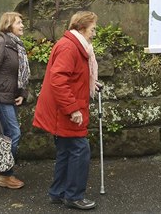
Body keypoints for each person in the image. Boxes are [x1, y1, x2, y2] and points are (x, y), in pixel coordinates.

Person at [32, 11, 100, 210]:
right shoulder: (70, 47)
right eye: (92, 29)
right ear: (81, 28)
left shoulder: (72, 45)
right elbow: (59, 81)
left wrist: (91, 83)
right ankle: (73, 196)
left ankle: (58, 192)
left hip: (62, 109)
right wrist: (73, 109)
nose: (94, 34)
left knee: (66, 151)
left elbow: (71, 77)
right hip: (66, 111)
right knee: (80, 150)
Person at [0, 12, 30, 189]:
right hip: (1, 97)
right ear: (9, 25)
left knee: (6, 136)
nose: (22, 25)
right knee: (14, 134)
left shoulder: (16, 45)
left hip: (10, 97)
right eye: (19, 22)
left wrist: (22, 93)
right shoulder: (0, 44)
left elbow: (18, 75)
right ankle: (6, 175)